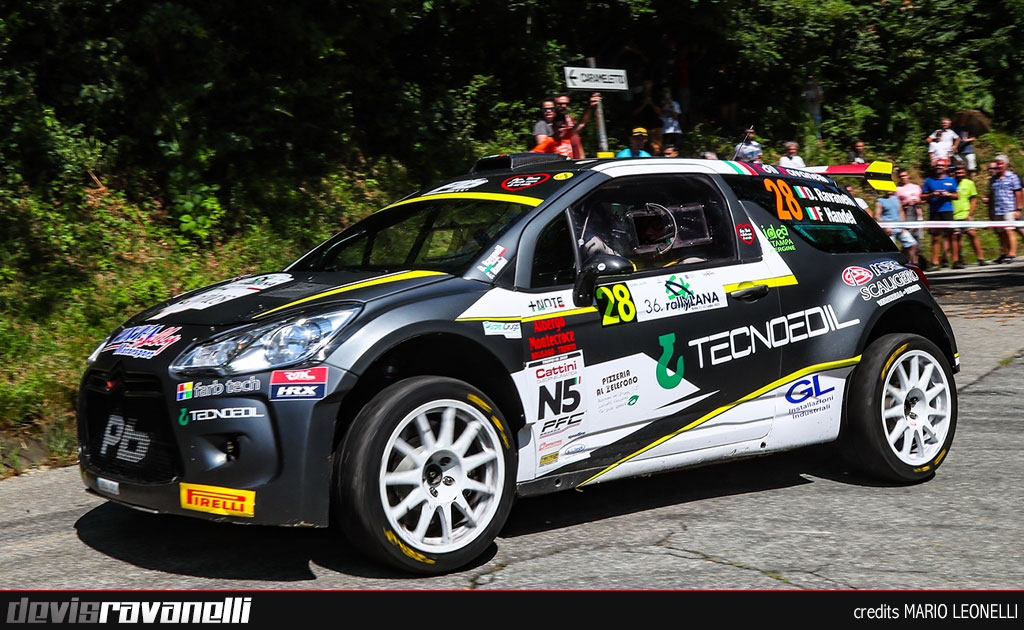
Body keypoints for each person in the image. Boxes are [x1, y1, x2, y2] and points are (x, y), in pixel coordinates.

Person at [922, 159, 959, 268]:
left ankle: (956, 261)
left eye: (941, 165)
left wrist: (948, 194)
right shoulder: (929, 181)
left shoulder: (951, 180)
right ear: (934, 167)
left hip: (947, 210)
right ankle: (935, 262)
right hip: (935, 211)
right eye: (937, 165)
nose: (939, 167)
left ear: (945, 167)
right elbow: (922, 196)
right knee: (935, 237)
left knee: (952, 235)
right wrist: (932, 195)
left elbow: (957, 195)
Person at [989, 154, 1023, 263]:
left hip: (1009, 208)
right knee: (1001, 233)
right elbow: (991, 195)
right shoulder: (993, 179)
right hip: (997, 209)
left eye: (1001, 164)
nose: (999, 166)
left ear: (1006, 165)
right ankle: (1005, 252)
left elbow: (1018, 193)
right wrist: (990, 211)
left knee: (1009, 231)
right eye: (997, 164)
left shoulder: (1012, 177)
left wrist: (1018, 209)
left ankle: (1012, 254)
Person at [952, 164, 987, 267]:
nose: (959, 174)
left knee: (972, 234)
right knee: (956, 237)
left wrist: (970, 214)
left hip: (966, 214)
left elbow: (973, 199)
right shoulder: (951, 182)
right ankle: (958, 260)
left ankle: (981, 258)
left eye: (961, 172)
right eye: (957, 173)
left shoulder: (969, 183)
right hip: (954, 215)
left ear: (965, 173)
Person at [875, 189, 918, 263]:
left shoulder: (896, 199)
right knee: (891, 250)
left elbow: (901, 212)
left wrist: (903, 225)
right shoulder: (880, 201)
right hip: (889, 229)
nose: (888, 190)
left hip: (899, 227)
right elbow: (877, 216)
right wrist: (885, 227)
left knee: (913, 244)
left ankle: (908, 262)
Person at [554, 92, 601, 158]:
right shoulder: (549, 122)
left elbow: (581, 125)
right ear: (554, 105)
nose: (564, 106)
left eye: (566, 104)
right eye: (560, 104)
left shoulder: (569, 118)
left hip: (575, 159)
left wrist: (590, 107)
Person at [896, 167, 924, 255]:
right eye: (901, 176)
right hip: (906, 215)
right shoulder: (897, 189)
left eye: (904, 176)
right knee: (909, 239)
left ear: (908, 176)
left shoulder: (916, 187)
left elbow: (923, 200)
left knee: (918, 238)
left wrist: (918, 201)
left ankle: (917, 258)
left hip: (918, 215)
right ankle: (903, 256)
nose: (903, 178)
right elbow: (896, 205)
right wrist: (906, 203)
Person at [802, 74, 824, 140]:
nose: (810, 82)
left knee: (818, 134)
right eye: (809, 79)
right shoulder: (805, 91)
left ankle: (819, 145)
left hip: (815, 113)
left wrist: (815, 86)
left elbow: (820, 99)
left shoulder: (819, 89)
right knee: (806, 133)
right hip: (807, 114)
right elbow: (802, 98)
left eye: (812, 79)